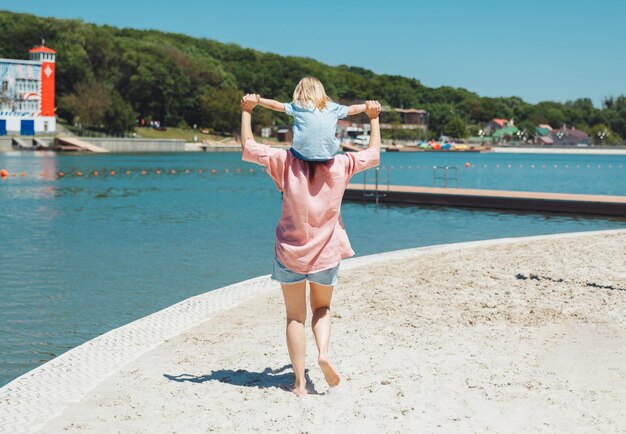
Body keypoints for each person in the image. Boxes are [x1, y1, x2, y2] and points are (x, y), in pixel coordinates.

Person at [240, 93, 381, 396]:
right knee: (322, 309)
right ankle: (324, 354)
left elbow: (249, 147)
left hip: (290, 254)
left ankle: (299, 384)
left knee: (294, 317)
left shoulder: (283, 161)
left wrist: (247, 111)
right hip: (326, 254)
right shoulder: (342, 164)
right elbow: (374, 154)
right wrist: (373, 118)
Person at [250, 76, 367, 161]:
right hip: (329, 155)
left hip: (301, 155)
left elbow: (275, 105)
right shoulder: (333, 107)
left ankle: (280, 184)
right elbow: (353, 109)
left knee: (284, 159)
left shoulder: (298, 106)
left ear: (300, 91)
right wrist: (367, 106)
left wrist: (259, 100)